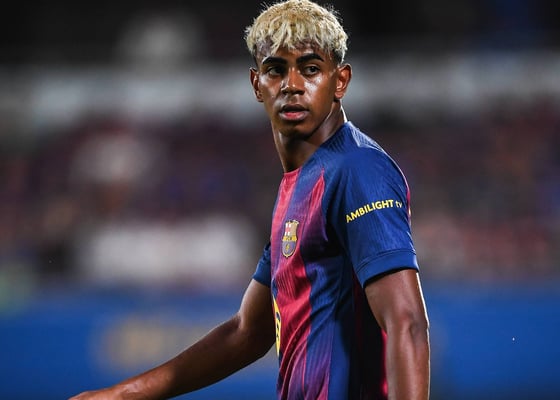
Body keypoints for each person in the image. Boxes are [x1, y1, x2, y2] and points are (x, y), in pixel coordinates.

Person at [69, 0, 430, 399]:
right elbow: (246, 332)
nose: (292, 85)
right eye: (276, 70)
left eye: (311, 69)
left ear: (340, 80)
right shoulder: (299, 185)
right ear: (257, 84)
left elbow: (407, 322)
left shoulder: (357, 169)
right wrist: (120, 394)